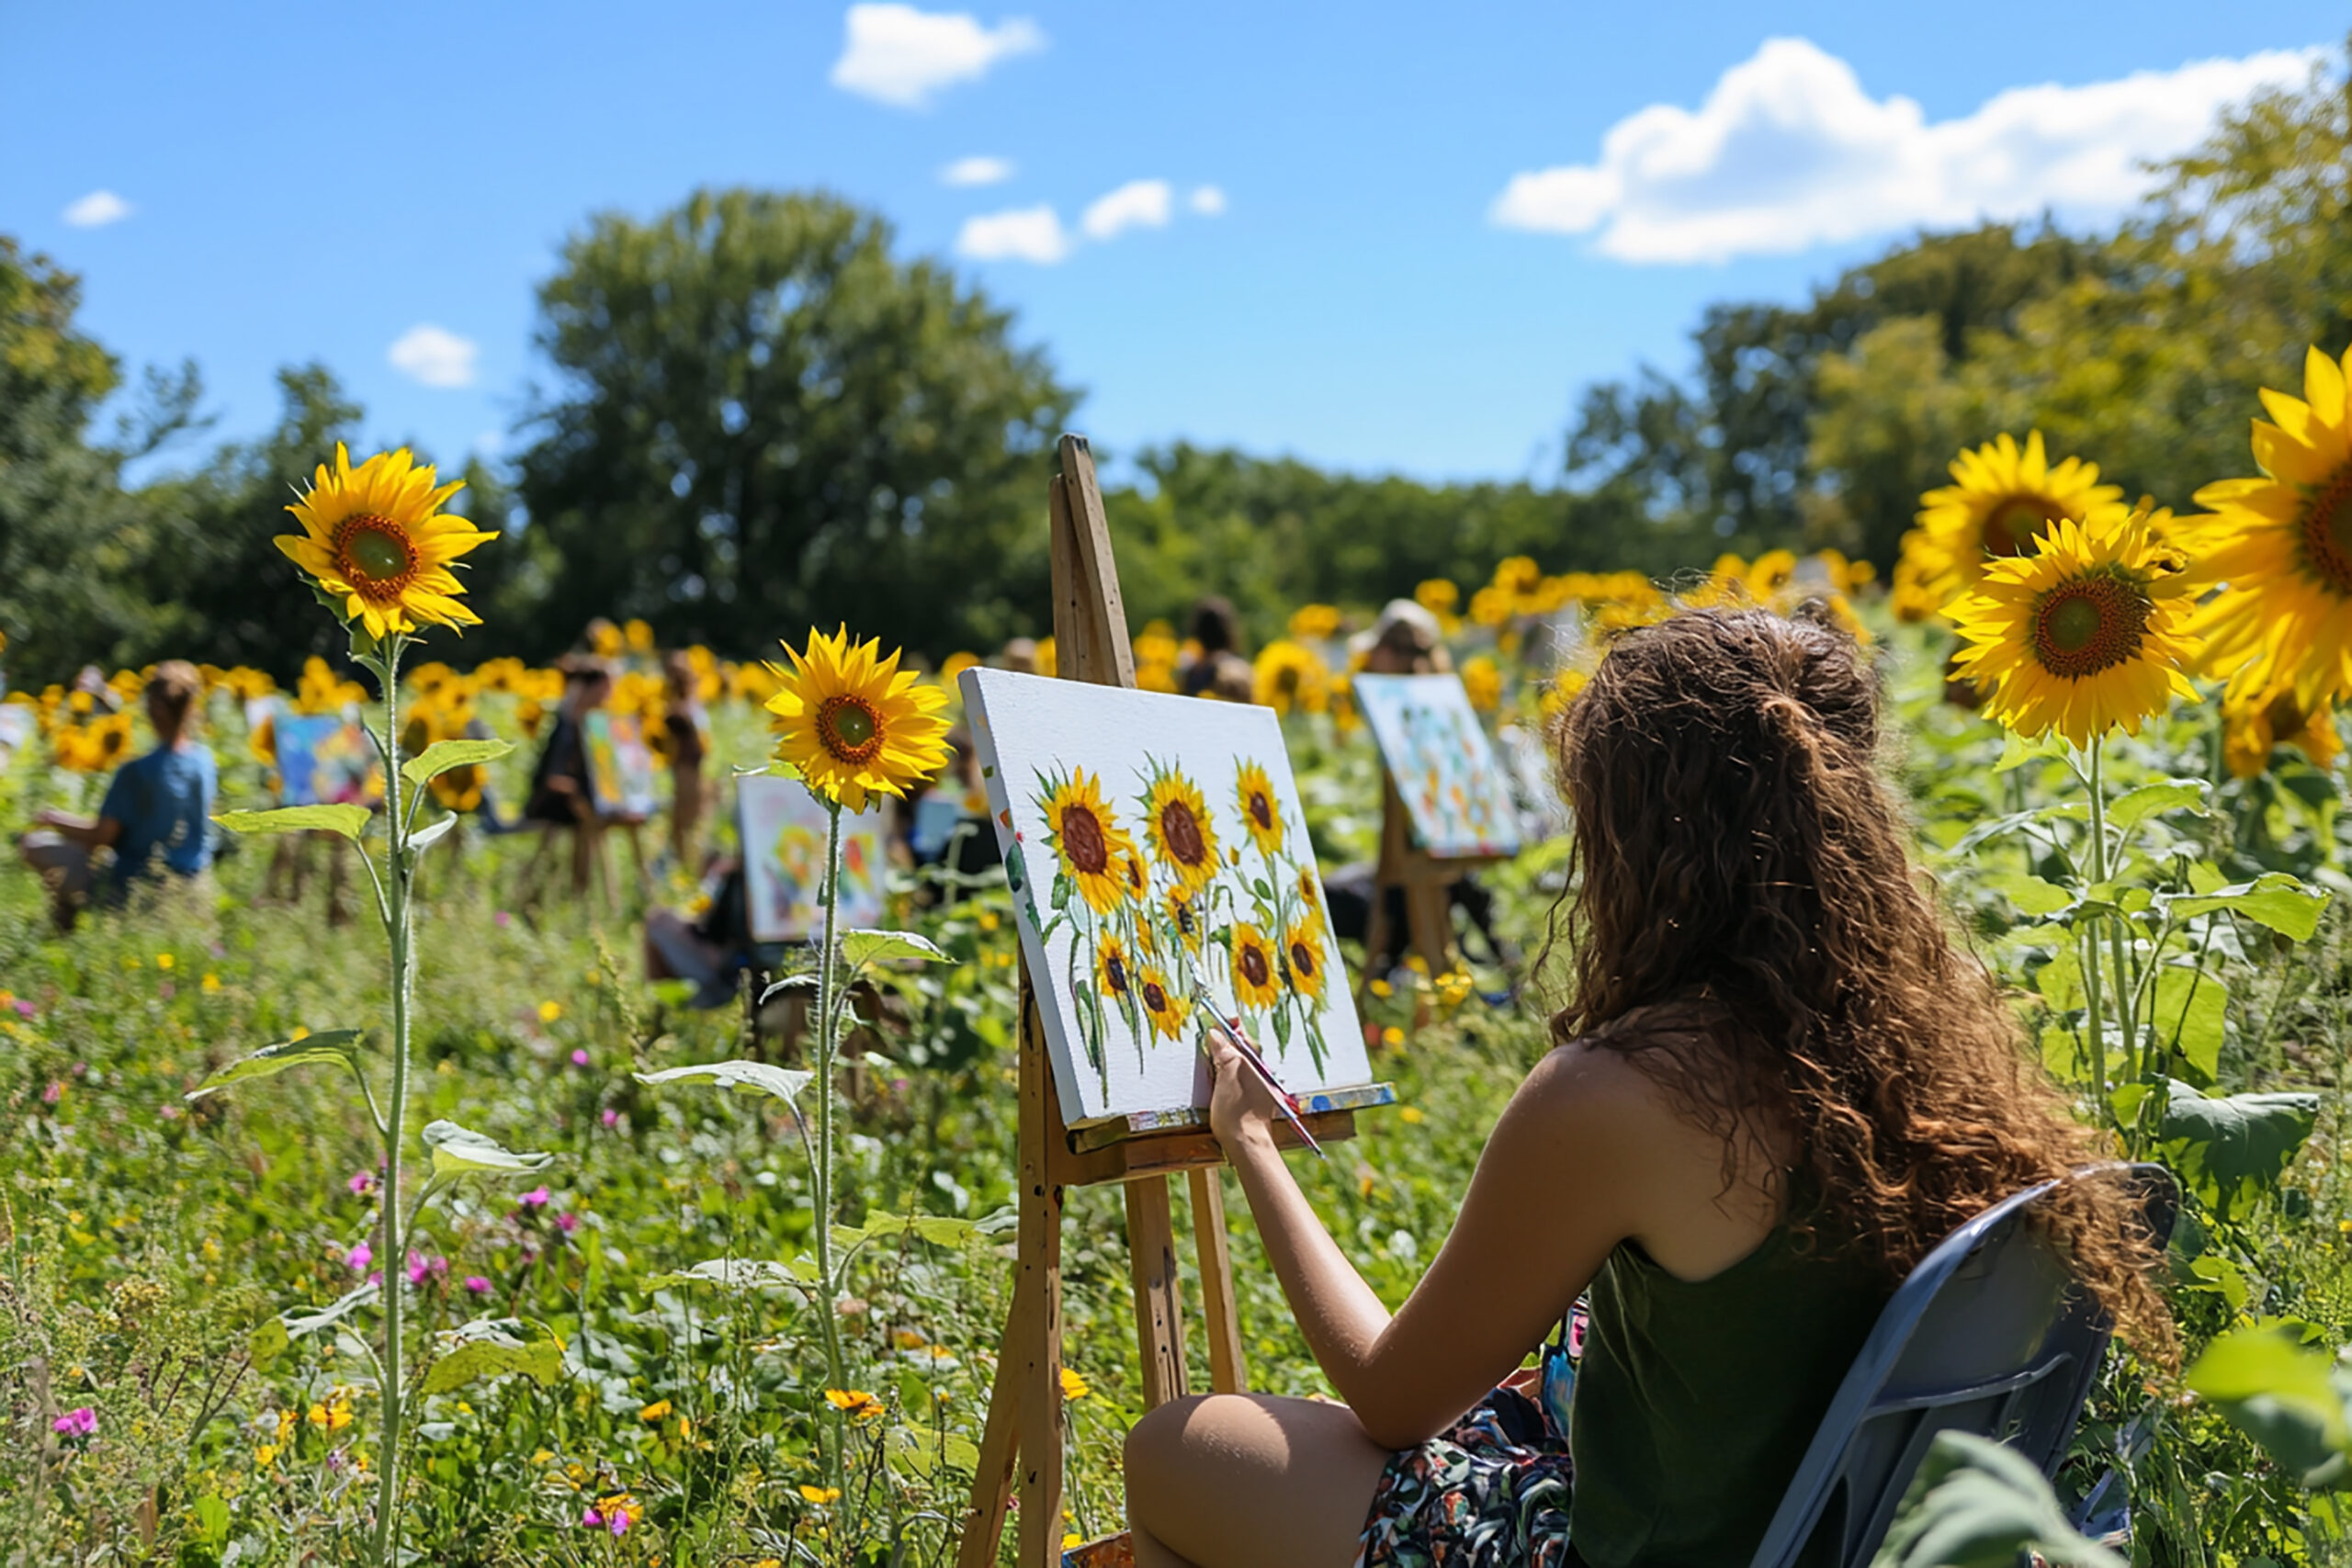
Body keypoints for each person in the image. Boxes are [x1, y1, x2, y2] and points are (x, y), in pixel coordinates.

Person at [1123, 609, 2168, 1568]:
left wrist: (1254, 1145)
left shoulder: (1624, 1092)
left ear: (1636, 838)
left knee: (1181, 1450)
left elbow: (1395, 1401)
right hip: (1836, 1543)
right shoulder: (1923, 1044)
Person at [19, 661, 217, 931]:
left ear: (152, 708)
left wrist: (54, 819)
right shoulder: (204, 761)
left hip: (137, 888)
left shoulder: (137, 771)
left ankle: (63, 932)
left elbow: (102, 837)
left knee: (36, 844)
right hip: (194, 886)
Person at [521, 657, 612, 897]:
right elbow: (553, 775)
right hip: (553, 799)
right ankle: (572, 893)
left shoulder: (591, 724)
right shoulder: (567, 723)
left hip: (575, 798)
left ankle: (577, 893)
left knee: (590, 821)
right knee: (586, 822)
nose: (608, 696)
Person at [661, 649, 711, 867]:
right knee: (684, 820)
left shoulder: (693, 704)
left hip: (694, 767)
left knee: (692, 819)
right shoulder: (672, 707)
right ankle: (684, 866)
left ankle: (690, 866)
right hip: (684, 767)